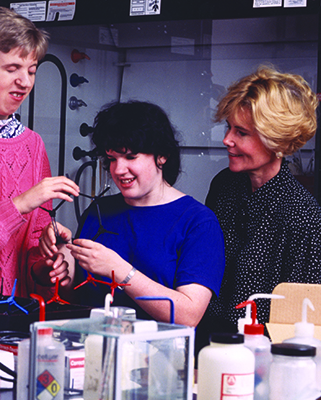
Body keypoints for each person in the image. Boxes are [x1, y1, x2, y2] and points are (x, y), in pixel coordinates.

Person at [38, 100, 225, 327]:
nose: (118, 170)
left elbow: (188, 316)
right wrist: (61, 260)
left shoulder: (198, 222)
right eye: (112, 159)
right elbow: (77, 301)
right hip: (93, 349)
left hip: (160, 357)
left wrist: (121, 271)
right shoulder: (99, 212)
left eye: (130, 157)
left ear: (162, 155)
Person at [0, 7, 79, 299]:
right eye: (12, 69)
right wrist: (19, 205)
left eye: (31, 70)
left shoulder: (33, 145)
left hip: (14, 322)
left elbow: (31, 248)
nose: (26, 81)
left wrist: (48, 264)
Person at [196, 66, 321, 353]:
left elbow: (306, 314)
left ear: (277, 140)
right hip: (207, 340)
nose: (227, 139)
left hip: (263, 354)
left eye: (241, 132)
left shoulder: (302, 214)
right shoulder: (224, 185)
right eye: (229, 127)